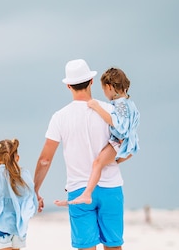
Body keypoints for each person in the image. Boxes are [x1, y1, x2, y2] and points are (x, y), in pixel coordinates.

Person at [33, 59, 132, 250]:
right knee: (115, 249)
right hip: (111, 187)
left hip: (79, 191)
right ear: (90, 82)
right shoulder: (110, 109)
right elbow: (125, 145)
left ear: (68, 86)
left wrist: (36, 189)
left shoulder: (60, 117)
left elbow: (45, 159)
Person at [55, 67, 139, 206]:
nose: (104, 93)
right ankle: (75, 192)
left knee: (97, 163)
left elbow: (119, 125)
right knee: (103, 165)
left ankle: (86, 194)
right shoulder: (128, 102)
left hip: (119, 142)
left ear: (109, 87)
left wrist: (96, 107)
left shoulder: (121, 104)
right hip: (125, 144)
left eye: (104, 89)